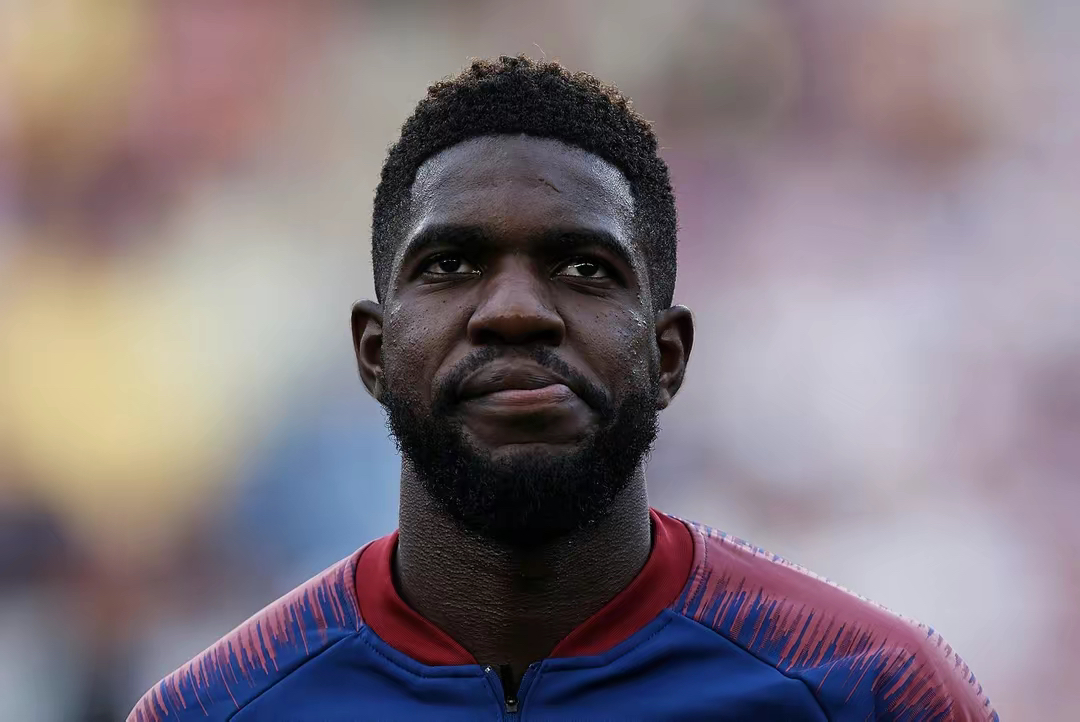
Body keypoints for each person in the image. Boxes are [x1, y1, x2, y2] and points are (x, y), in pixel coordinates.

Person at [128, 56, 997, 721]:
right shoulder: (215, 711)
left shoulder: (874, 694)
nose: (514, 312)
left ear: (668, 356)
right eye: (451, 264)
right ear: (374, 351)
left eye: (584, 267)